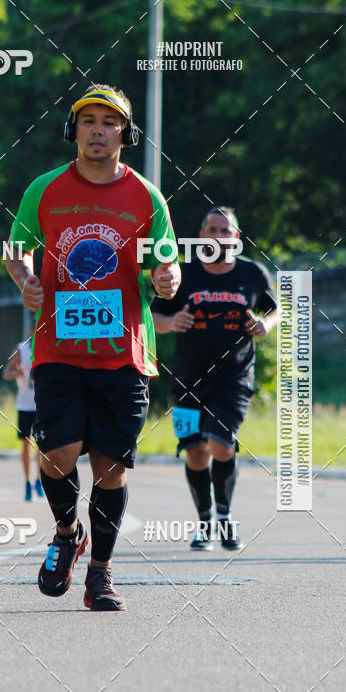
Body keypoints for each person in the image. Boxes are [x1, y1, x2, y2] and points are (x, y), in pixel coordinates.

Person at [5, 83, 180, 610]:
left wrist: (167, 278)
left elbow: (162, 264)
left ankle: (100, 574)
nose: (98, 130)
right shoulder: (45, 189)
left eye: (109, 122)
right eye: (88, 122)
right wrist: (25, 278)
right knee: (54, 457)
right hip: (57, 348)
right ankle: (66, 532)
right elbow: (17, 249)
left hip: (123, 353)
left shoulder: (147, 196)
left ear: (125, 133)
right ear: (73, 132)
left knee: (111, 469)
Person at [151, 206, 279, 551]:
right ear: (201, 235)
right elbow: (154, 316)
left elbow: (275, 309)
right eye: (212, 229)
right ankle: (205, 521)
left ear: (236, 238)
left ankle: (224, 518)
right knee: (194, 452)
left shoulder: (253, 273)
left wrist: (263, 325)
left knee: (221, 442)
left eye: (226, 230)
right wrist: (171, 322)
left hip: (234, 378)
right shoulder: (184, 274)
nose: (219, 235)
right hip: (187, 380)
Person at [2, 319, 44, 501]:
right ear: (31, 329)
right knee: (26, 444)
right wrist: (16, 373)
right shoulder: (21, 350)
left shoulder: (47, 349)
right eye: (36, 328)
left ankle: (39, 481)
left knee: (42, 446)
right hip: (25, 405)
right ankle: (27, 483)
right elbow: (6, 372)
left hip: (43, 405)